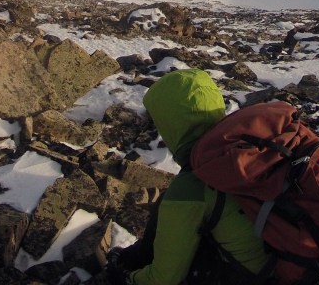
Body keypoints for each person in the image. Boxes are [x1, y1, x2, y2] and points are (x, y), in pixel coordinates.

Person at [107, 68, 272, 285]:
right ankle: (138, 256)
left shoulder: (192, 185)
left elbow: (163, 280)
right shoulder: (250, 147)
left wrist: (127, 278)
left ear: (171, 124)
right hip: (293, 263)